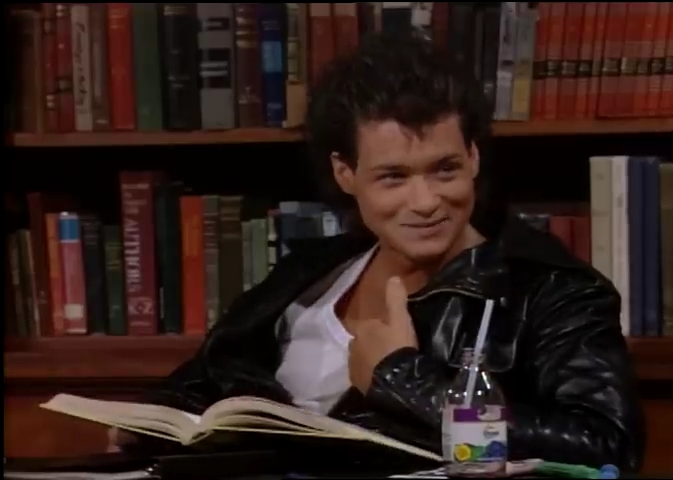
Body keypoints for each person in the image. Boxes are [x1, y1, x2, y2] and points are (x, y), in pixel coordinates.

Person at [111, 30, 645, 471]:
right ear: (346, 173)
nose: (426, 201)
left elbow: (604, 445)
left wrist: (401, 375)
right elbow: (207, 382)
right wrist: (150, 424)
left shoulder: (550, 290)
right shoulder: (310, 271)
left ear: (474, 157)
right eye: (394, 177)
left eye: (445, 169)